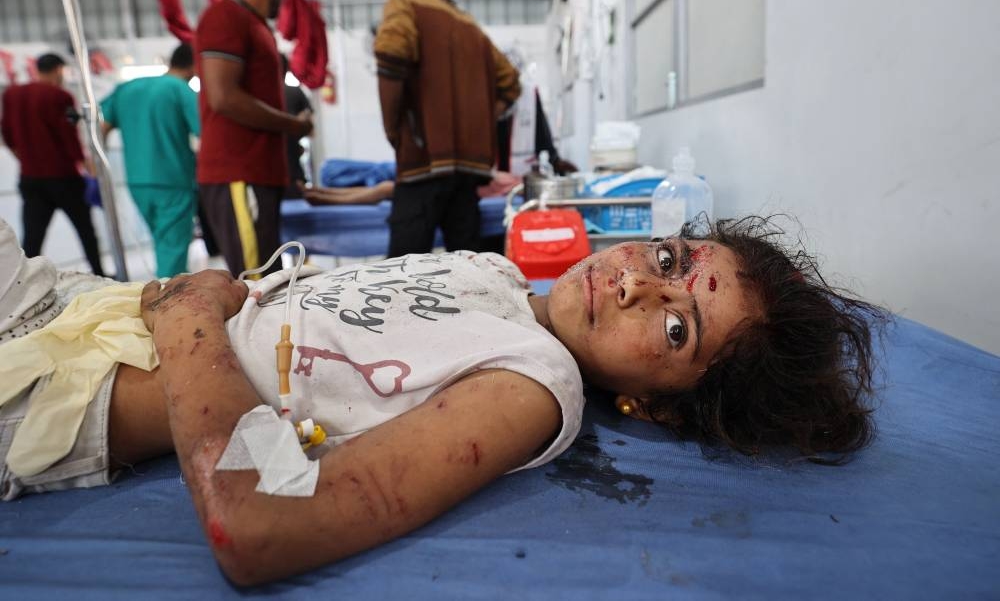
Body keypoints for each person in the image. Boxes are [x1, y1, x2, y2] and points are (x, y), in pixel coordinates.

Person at [0, 213, 882, 584]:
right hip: (75, 298)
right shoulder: (494, 272)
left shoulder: (534, 383)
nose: (636, 287)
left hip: (47, 386)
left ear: (653, 407)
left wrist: (192, 319)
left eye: (678, 329)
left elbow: (260, 520)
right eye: (669, 260)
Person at [374, 0, 522, 257]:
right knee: (466, 270)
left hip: (422, 164)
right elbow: (510, 83)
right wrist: (480, 123)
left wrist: (393, 130)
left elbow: (390, 56)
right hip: (467, 173)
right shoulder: (470, 26)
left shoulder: (405, 0)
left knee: (401, 276)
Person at [194, 0, 312, 278]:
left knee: (269, 278)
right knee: (255, 284)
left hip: (255, 173)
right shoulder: (226, 17)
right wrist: (293, 125)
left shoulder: (255, 25)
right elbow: (223, 97)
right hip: (238, 172)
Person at [100, 43, 200, 278]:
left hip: (137, 180)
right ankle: (169, 299)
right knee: (172, 247)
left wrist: (94, 160)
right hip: (173, 179)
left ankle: (173, 285)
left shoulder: (128, 88)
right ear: (195, 66)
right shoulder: (180, 89)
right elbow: (205, 132)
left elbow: (101, 125)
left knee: (162, 240)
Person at [1, 53, 105, 276]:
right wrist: (88, 166)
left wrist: (25, 159)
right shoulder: (60, 97)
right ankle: (100, 273)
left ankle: (26, 287)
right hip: (64, 177)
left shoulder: (12, 95)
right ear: (58, 70)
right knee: (86, 231)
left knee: (33, 238)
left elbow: (7, 135)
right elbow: (69, 138)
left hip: (30, 179)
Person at [281, 55, 314, 199]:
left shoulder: (254, 97)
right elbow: (311, 131)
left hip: (266, 176)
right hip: (293, 173)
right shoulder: (295, 92)